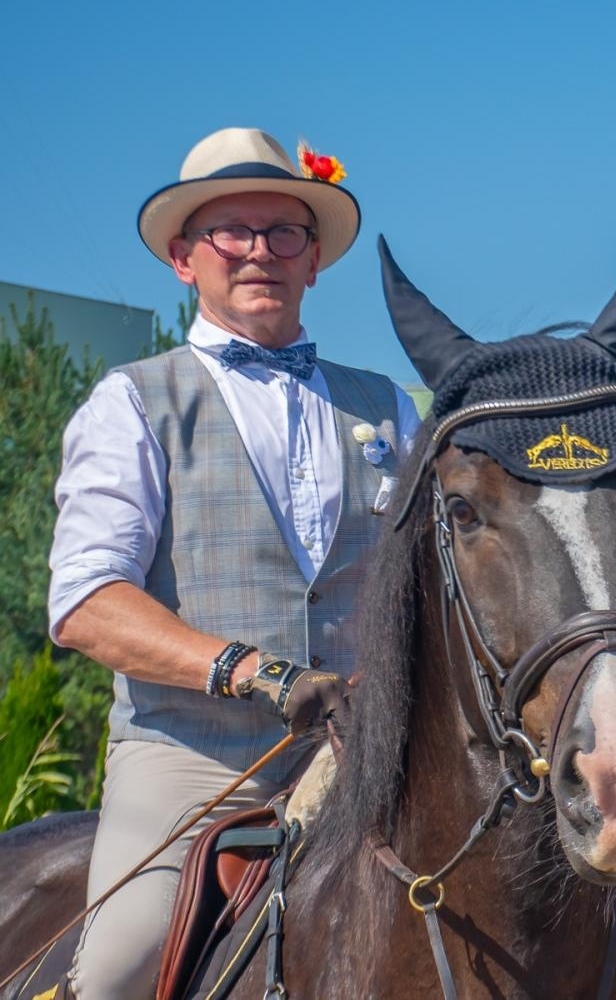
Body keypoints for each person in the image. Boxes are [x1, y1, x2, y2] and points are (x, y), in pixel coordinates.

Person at [49, 126, 421, 998]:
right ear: (184, 257)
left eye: (283, 231)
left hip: (368, 753)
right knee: (114, 971)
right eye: (233, 232)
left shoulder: (389, 405)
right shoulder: (132, 401)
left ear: (314, 258)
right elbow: (87, 602)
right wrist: (253, 671)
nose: (260, 251)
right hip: (194, 761)